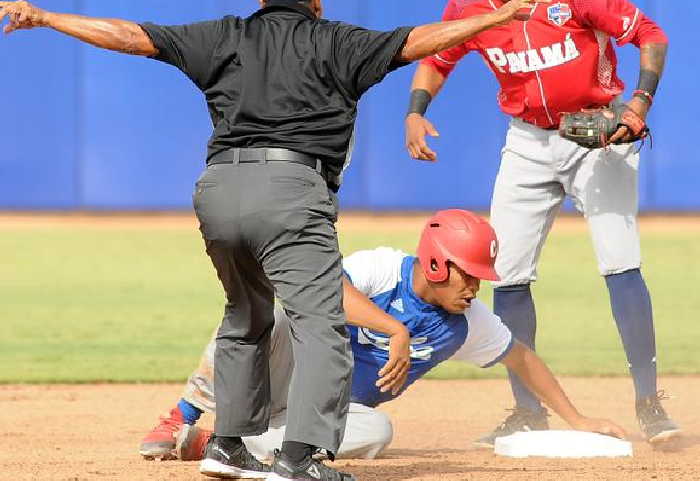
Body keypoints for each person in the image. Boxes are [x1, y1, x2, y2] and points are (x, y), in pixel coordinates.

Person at [1, 0, 554, 479]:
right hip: (292, 188)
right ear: (314, 1)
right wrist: (495, 16)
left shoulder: (223, 34)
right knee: (320, 324)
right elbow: (417, 42)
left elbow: (131, 37)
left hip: (217, 191)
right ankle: (300, 458)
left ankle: (229, 446)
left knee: (246, 316)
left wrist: (48, 17)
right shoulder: (335, 40)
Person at [140, 210, 625, 468]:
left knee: (378, 431)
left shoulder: (466, 322)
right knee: (270, 313)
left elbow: (522, 358)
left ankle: (213, 443)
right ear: (436, 262)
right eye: (469, 274)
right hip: (280, 376)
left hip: (322, 413)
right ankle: (178, 417)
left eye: (480, 277)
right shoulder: (384, 268)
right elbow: (324, 288)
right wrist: (393, 328)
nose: (475, 286)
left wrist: (579, 418)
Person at [404, 0, 679, 449]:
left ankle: (650, 404)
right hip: (527, 139)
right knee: (506, 272)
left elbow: (651, 34)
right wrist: (416, 110)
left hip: (598, 132)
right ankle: (528, 411)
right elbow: (437, 57)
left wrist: (639, 104)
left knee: (620, 262)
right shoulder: (470, 7)